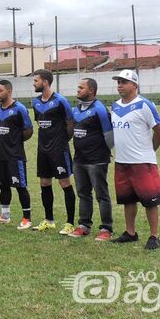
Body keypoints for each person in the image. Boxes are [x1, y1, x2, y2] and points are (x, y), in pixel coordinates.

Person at [110, 69, 160, 250]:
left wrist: (151, 149)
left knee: (150, 200)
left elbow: (159, 130)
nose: (120, 85)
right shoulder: (115, 106)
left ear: (134, 85)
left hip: (142, 162)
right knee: (127, 199)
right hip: (122, 161)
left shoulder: (145, 105)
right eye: (118, 82)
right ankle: (130, 232)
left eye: (124, 82)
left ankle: (154, 236)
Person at [32, 69, 76, 235]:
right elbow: (39, 122)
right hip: (42, 149)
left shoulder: (60, 101)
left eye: (36, 81)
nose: (34, 84)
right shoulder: (35, 102)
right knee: (44, 183)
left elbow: (70, 122)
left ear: (45, 82)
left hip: (59, 149)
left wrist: (63, 141)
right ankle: (49, 221)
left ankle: (70, 223)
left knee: (65, 183)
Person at [68, 78, 114, 241]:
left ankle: (106, 228)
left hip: (97, 160)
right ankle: (84, 225)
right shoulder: (76, 109)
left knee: (101, 194)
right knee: (83, 193)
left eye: (81, 87)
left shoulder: (100, 109)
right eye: (78, 87)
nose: (78, 90)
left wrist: (107, 151)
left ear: (92, 91)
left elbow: (109, 134)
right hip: (79, 159)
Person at [0, 80, 34, 229]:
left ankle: (27, 218)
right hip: (0, 155)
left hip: (15, 156)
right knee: (3, 186)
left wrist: (15, 142)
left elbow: (28, 130)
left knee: (20, 187)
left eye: (0, 91)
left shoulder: (19, 108)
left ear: (9, 91)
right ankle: (5, 215)